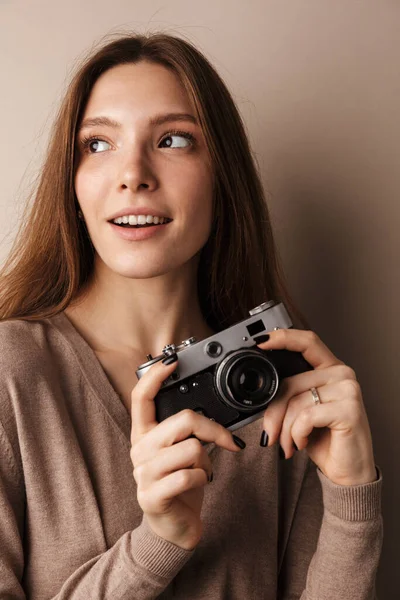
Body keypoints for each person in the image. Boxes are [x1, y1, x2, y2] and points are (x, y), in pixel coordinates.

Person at [0, 32, 382, 599]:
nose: (133, 174)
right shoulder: (13, 372)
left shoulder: (280, 385)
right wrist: (156, 543)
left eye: (174, 139)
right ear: (72, 181)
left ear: (221, 174)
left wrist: (352, 496)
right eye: (98, 144)